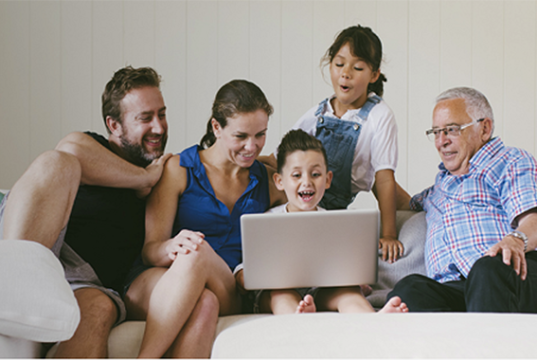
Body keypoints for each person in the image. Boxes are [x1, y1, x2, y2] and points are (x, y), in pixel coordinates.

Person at [0, 66, 217, 358]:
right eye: (145, 118)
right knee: (56, 162)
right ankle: (12, 286)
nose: (159, 127)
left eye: (161, 114)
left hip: (87, 280)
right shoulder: (93, 148)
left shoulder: (167, 173)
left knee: (99, 308)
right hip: (39, 243)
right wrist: (143, 179)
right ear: (113, 125)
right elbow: (70, 150)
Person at [123, 79, 286, 358]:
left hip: (229, 288)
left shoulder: (269, 182)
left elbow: (305, 214)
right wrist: (171, 246)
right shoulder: (179, 169)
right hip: (161, 278)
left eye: (260, 134)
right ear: (216, 127)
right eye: (240, 136)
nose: (252, 146)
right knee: (204, 300)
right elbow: (150, 250)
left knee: (197, 256)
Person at [260, 24, 403, 263]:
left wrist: (388, 234)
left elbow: (385, 179)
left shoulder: (379, 115)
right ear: (330, 66)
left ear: (374, 74)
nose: (345, 73)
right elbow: (278, 159)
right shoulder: (319, 113)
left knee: (411, 205)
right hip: (299, 197)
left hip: (330, 204)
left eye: (357, 67)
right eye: (339, 64)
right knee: (258, 173)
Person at [388, 87, 537, 313]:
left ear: (484, 128)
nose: (441, 142)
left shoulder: (510, 161)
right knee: (408, 290)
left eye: (451, 130)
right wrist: (371, 174)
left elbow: (533, 220)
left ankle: (489, 348)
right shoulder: (438, 189)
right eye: (436, 132)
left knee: (486, 269)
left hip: (510, 272)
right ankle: (454, 347)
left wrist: (515, 240)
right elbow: (403, 203)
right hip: (458, 288)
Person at [236, 129, 408, 315]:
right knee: (281, 294)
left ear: (328, 180)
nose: (307, 182)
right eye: (296, 175)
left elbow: (347, 265)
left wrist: (355, 278)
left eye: (315, 174)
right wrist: (244, 276)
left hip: (319, 291)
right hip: (276, 293)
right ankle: (298, 320)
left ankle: (372, 320)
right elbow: (244, 269)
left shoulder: (335, 222)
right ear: (279, 181)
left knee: (349, 292)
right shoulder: (266, 221)